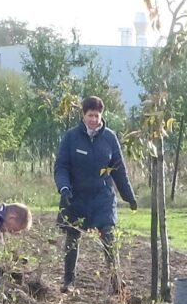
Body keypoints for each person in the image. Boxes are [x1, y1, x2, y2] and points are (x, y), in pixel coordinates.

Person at [53, 96, 136, 291]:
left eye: (97, 115)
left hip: (102, 197)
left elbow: (118, 168)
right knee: (72, 237)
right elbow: (61, 166)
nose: (93, 119)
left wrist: (129, 196)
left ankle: (116, 280)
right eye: (90, 115)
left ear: (101, 115)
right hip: (76, 196)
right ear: (83, 115)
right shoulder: (71, 137)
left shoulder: (110, 138)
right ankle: (68, 281)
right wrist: (64, 187)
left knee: (108, 235)